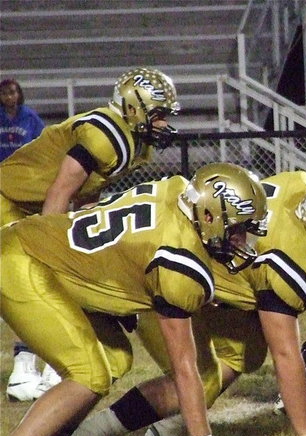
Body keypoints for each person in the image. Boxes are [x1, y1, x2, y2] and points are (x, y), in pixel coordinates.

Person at [0, 162, 269, 436]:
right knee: (88, 374)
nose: (243, 240)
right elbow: (185, 372)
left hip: (54, 255)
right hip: (24, 259)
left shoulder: (178, 190)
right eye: (238, 229)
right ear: (211, 216)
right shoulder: (179, 261)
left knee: (113, 360)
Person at [63, 174, 306, 436]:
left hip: (197, 278)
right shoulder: (293, 259)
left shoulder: (302, 185)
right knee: (200, 377)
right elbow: (285, 354)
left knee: (243, 352)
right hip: (166, 281)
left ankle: (166, 433)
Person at [1, 67, 180, 404]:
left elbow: (86, 193)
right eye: (158, 114)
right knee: (35, 281)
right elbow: (60, 190)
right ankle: (25, 369)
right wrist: (52, 251)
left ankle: (45, 369)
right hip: (9, 201)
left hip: (30, 206)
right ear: (132, 108)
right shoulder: (106, 134)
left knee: (50, 285)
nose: (163, 122)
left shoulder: (135, 146)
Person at [0, 78, 50, 402]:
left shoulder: (31, 119)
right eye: (5, 91)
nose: (10, 95)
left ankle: (29, 361)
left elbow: (41, 152)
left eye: (13, 90)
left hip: (20, 196)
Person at [0, 79, 44, 162]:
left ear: (19, 94)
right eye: (4, 94)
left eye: (12, 92)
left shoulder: (30, 117)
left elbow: (41, 141)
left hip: (24, 167)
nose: (8, 97)